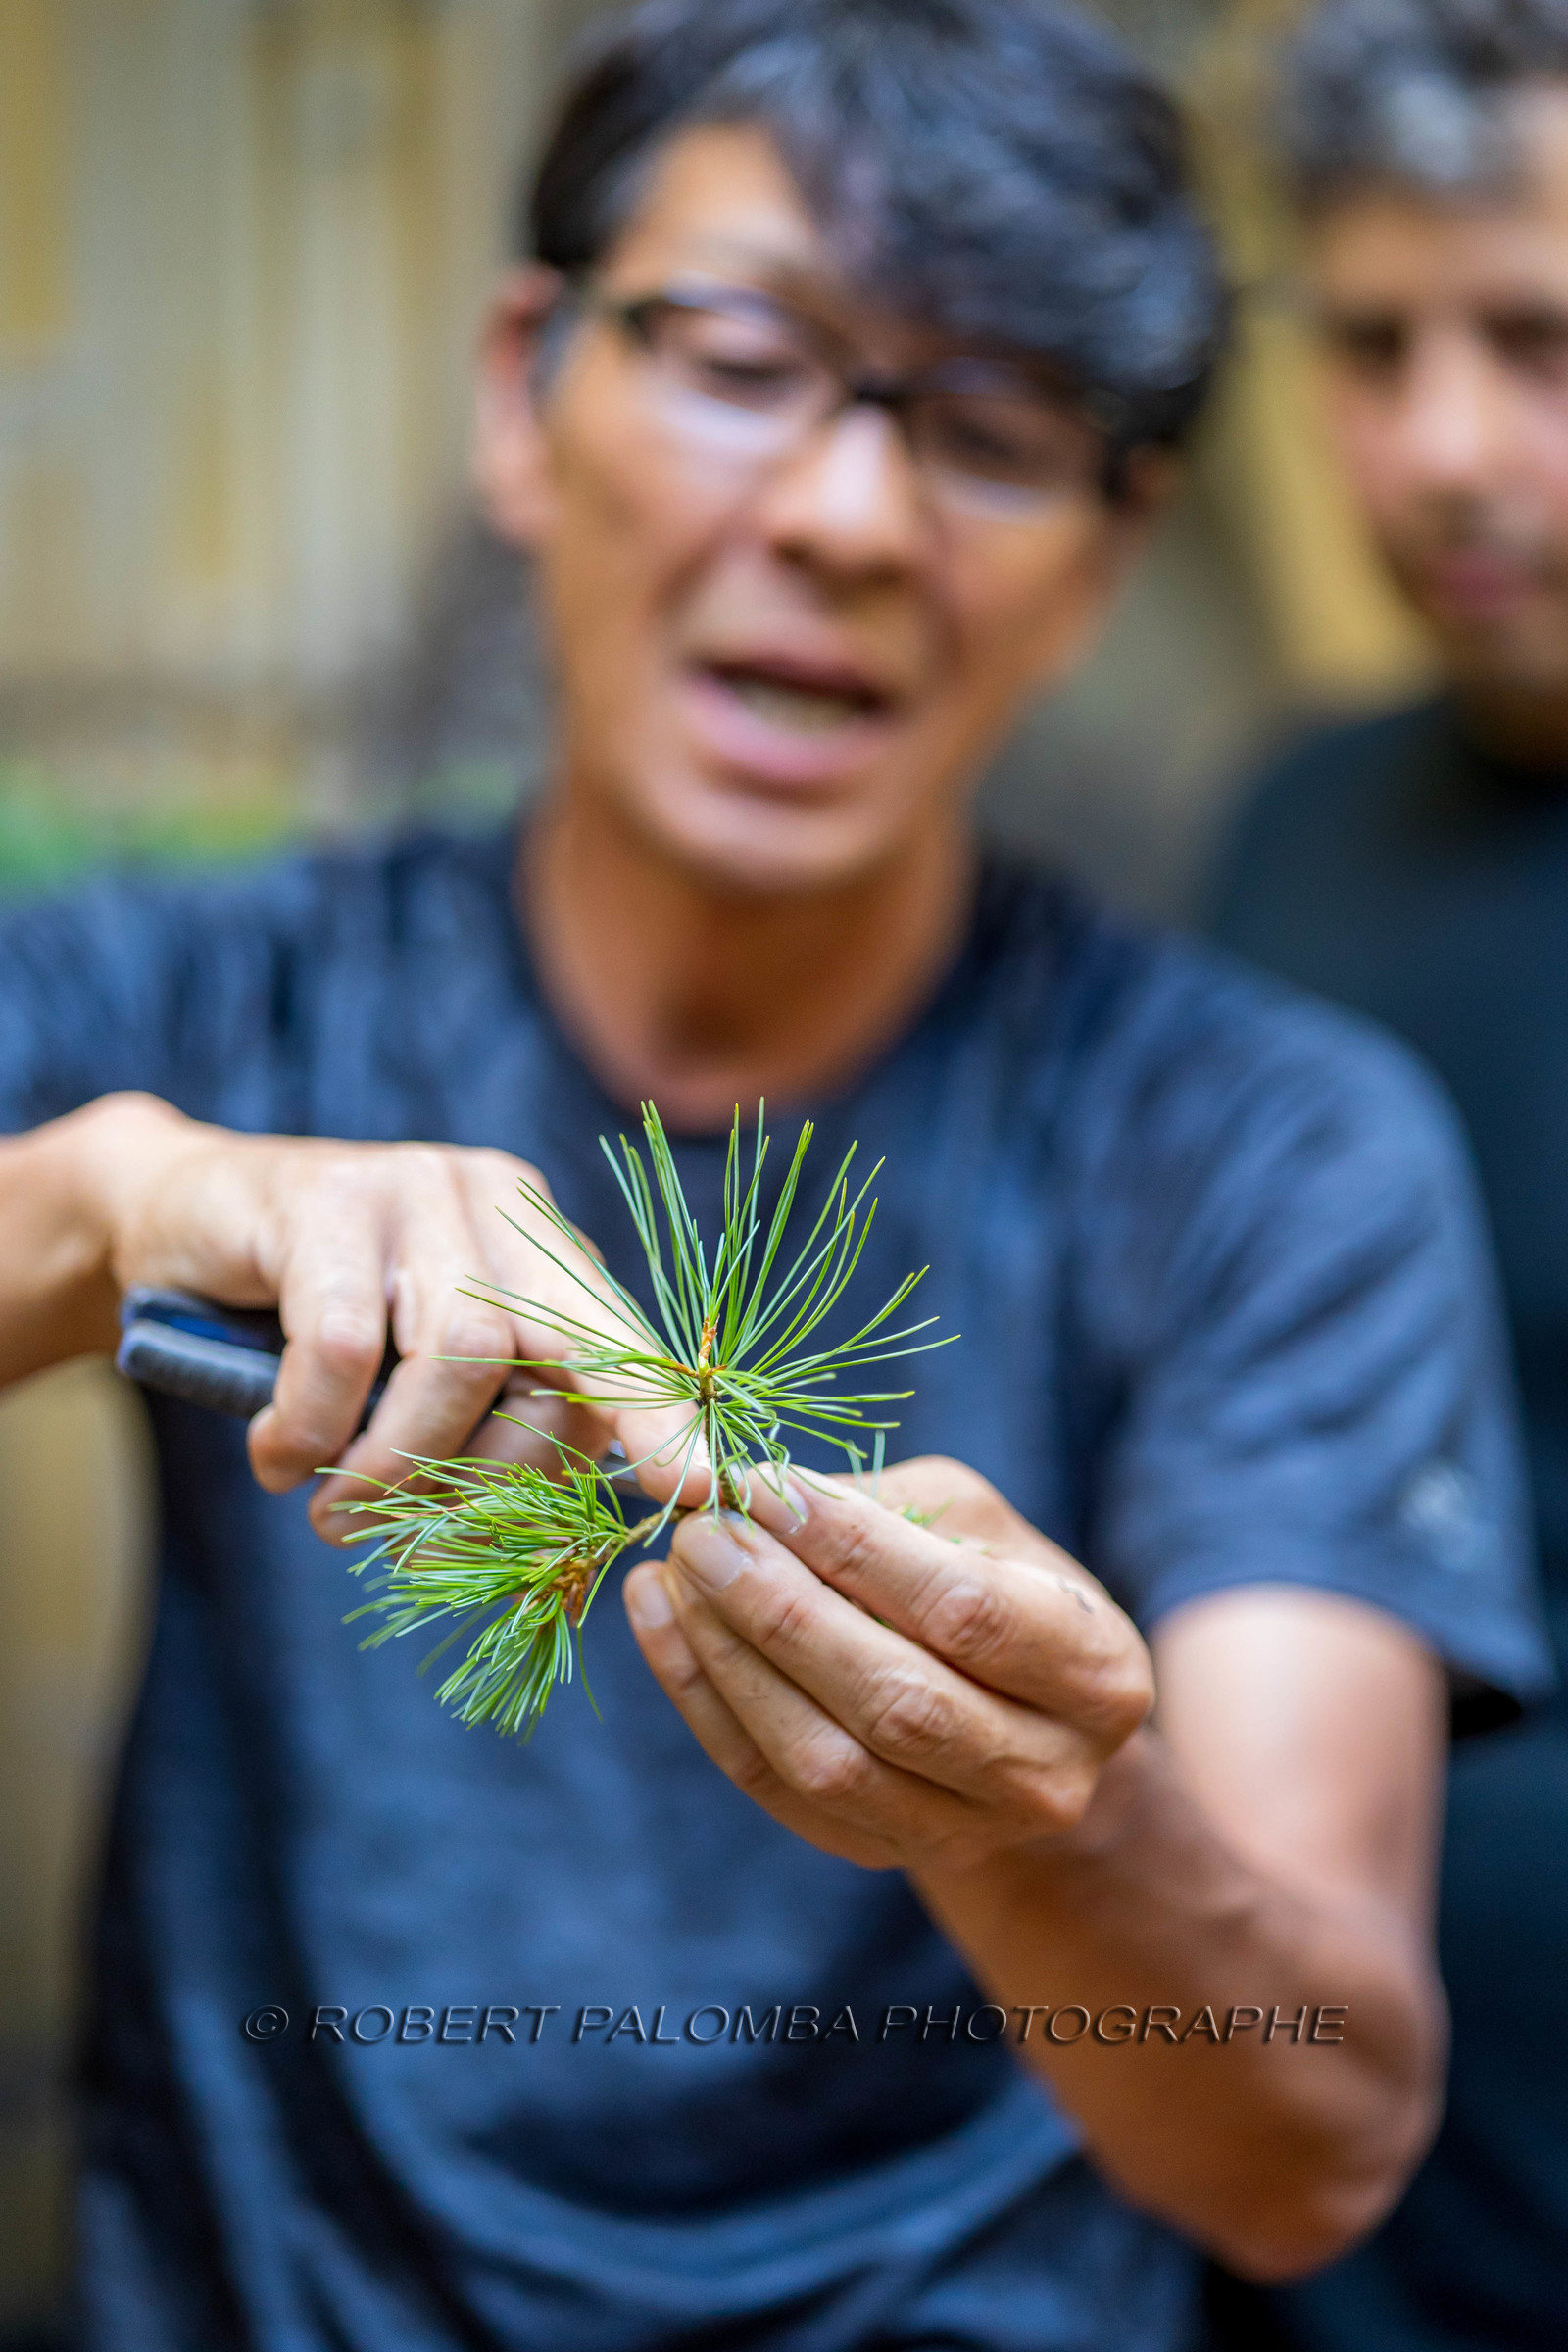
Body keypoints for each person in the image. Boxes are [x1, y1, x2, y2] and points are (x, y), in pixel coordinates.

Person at [0, 3, 1549, 2345]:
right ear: (523, 395)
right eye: (738, 360)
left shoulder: (1260, 1149)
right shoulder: (206, 1005)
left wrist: (1047, 1822)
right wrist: (110, 1198)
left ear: (1111, 548)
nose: (839, 516)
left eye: (986, 428)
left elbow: (1314, 2149)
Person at [1208, 1, 1568, 2343]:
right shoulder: (1288, 834)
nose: (1440, 449)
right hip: (1308, 2222)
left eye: (1534, 341)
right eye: (1370, 346)